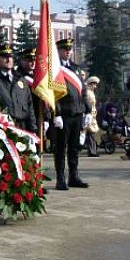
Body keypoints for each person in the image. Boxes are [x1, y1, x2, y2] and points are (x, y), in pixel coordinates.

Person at [0, 43, 37, 215]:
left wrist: (33, 129)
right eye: (4, 56)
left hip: (22, 127)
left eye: (10, 56)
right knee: (0, 167)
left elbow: (29, 106)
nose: (8, 59)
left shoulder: (20, 80)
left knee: (22, 165)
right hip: (1, 131)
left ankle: (18, 199)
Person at [52, 38, 89, 190]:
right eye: (65, 49)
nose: (68, 52)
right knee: (61, 148)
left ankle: (74, 176)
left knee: (74, 147)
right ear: (59, 51)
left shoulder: (76, 68)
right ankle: (60, 178)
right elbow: (53, 93)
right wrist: (57, 113)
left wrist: (87, 110)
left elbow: (83, 91)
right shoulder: (55, 69)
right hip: (64, 114)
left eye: (70, 49)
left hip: (77, 113)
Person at [83, 76, 100, 158]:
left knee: (92, 133)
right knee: (90, 133)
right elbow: (87, 104)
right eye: (94, 84)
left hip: (92, 115)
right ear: (90, 84)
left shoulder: (91, 92)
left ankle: (93, 150)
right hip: (88, 114)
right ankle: (92, 151)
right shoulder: (87, 92)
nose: (95, 86)